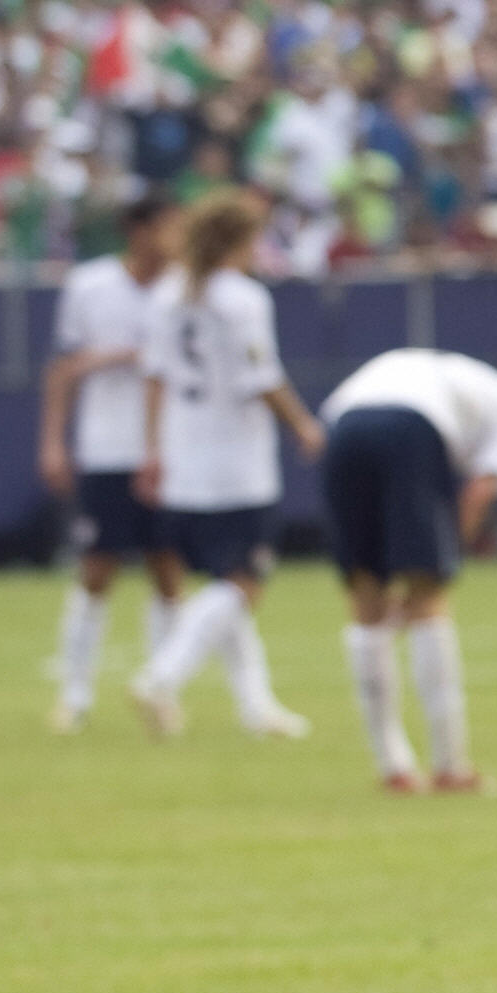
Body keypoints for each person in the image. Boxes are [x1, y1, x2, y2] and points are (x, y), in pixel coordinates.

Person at [126, 191, 321, 740]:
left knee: (222, 584)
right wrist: (304, 426)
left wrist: (151, 450)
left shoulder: (168, 295)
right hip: (237, 462)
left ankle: (256, 708)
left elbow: (154, 377)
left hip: (184, 457)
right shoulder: (242, 299)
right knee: (241, 582)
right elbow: (262, 379)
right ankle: (161, 674)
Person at [316, 348, 497, 793]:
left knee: (365, 599)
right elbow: (479, 492)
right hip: (411, 428)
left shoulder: (444, 370)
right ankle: (449, 765)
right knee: (428, 601)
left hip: (342, 429)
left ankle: (392, 766)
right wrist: (440, 563)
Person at [37, 194, 184, 731]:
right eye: (167, 225)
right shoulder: (90, 286)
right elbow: (63, 367)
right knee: (98, 568)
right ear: (136, 230)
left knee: (168, 569)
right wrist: (53, 443)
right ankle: (73, 696)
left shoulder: (185, 288)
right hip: (106, 448)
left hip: (169, 452)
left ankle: (163, 689)